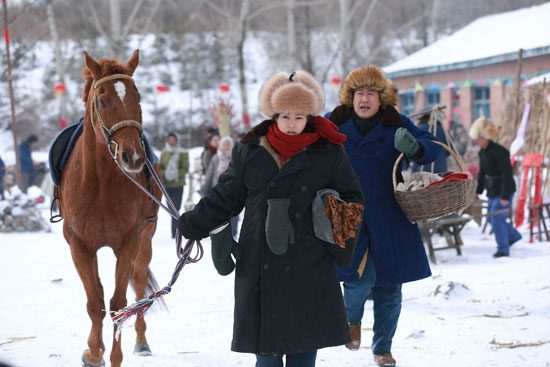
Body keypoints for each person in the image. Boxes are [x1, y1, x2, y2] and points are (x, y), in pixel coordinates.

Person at [177, 71, 364, 367]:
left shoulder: (329, 151)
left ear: (309, 117)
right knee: (266, 359)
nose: (292, 124)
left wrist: (332, 221)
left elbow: (353, 199)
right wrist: (192, 223)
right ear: (274, 114)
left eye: (299, 117)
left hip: (309, 264)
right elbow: (227, 196)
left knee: (304, 355)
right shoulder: (250, 150)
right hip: (259, 262)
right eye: (286, 116)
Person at [325, 65, 442, 367]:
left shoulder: (396, 124)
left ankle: (383, 348)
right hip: (349, 215)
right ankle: (351, 321)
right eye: (359, 93)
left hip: (390, 216)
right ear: (350, 98)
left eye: (371, 94)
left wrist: (415, 147)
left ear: (381, 99)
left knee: (389, 286)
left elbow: (432, 148)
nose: (365, 99)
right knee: (357, 279)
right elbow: (306, 144)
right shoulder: (334, 123)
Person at [469, 116, 521, 257]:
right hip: (492, 190)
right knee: (491, 219)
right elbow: (482, 173)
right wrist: (478, 191)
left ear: (485, 137)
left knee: (498, 219)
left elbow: (507, 174)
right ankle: (514, 236)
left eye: (478, 137)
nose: (476, 140)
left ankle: (503, 249)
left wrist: (505, 196)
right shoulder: (482, 152)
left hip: (504, 189)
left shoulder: (500, 151)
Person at [202, 136, 240, 238]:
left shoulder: (236, 158)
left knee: (233, 211)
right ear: (221, 145)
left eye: (228, 144)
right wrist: (206, 186)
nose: (226, 146)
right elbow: (210, 173)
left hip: (232, 189)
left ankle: (233, 232)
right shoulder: (216, 158)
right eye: (225, 144)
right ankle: (218, 231)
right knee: (218, 211)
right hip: (217, 188)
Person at [159, 132, 190, 238]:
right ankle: (176, 230)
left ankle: (176, 231)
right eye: (170, 140)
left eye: (174, 140)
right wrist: (165, 174)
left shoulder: (182, 153)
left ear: (177, 141)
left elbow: (185, 168)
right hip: (167, 184)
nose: (172, 142)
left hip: (178, 184)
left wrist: (175, 174)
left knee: (176, 208)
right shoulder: (164, 152)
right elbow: (160, 166)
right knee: (170, 208)